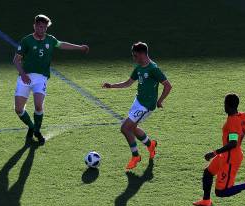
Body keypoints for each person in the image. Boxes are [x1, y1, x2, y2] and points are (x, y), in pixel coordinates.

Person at [13, 14, 89, 145]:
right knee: (19, 109)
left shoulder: (50, 40)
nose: (41, 29)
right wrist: (23, 74)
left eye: (44, 27)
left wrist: (79, 47)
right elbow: (16, 60)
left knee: (38, 105)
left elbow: (62, 45)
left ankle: (37, 131)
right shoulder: (26, 41)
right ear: (34, 26)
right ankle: (31, 126)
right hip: (25, 77)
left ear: (46, 28)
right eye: (39, 26)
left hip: (41, 78)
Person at [102, 42, 172, 170]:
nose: (134, 58)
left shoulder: (153, 69)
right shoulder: (139, 67)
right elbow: (128, 83)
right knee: (132, 128)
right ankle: (150, 145)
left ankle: (135, 156)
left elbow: (168, 86)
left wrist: (160, 101)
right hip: (138, 102)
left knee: (125, 128)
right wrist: (111, 86)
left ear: (142, 54)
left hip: (146, 106)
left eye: (135, 56)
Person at [193, 94, 245, 206]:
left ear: (228, 106)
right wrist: (243, 128)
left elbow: (233, 143)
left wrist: (213, 153)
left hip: (230, 158)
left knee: (221, 192)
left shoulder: (233, 121)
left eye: (224, 104)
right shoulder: (243, 116)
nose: (223, 106)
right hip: (225, 155)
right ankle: (206, 200)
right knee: (208, 173)